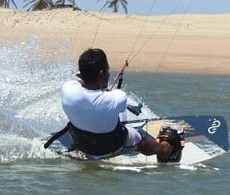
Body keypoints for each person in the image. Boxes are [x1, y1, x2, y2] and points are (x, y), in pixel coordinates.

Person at [56, 47, 184, 163]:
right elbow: (110, 100)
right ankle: (166, 150)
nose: (108, 73)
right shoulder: (117, 97)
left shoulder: (67, 89)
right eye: (107, 70)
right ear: (101, 74)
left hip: (81, 143)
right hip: (109, 147)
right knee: (137, 138)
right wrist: (102, 89)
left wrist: (98, 86)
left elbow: (84, 88)